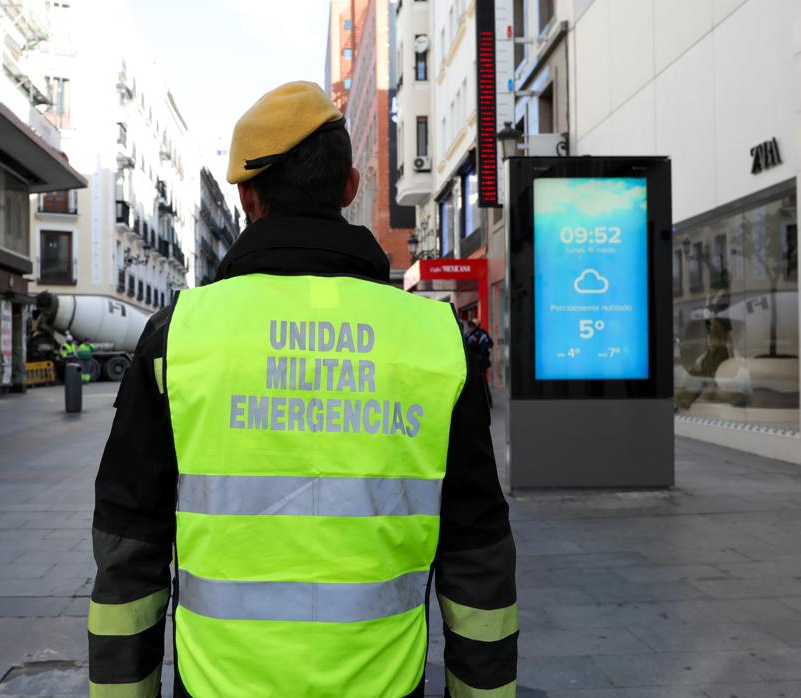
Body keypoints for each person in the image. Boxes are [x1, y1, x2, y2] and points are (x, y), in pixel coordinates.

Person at [87, 81, 517, 698]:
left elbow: (129, 553)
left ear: (245, 197)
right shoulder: (436, 339)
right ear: (350, 187)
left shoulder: (177, 336)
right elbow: (479, 557)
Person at [465, 319, 494, 408]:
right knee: (476, 382)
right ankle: (480, 402)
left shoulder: (481, 334)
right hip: (474, 362)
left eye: (471, 326)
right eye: (469, 326)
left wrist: (483, 356)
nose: (469, 328)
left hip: (480, 362)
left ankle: (488, 402)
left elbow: (489, 345)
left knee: (482, 382)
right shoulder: (469, 335)